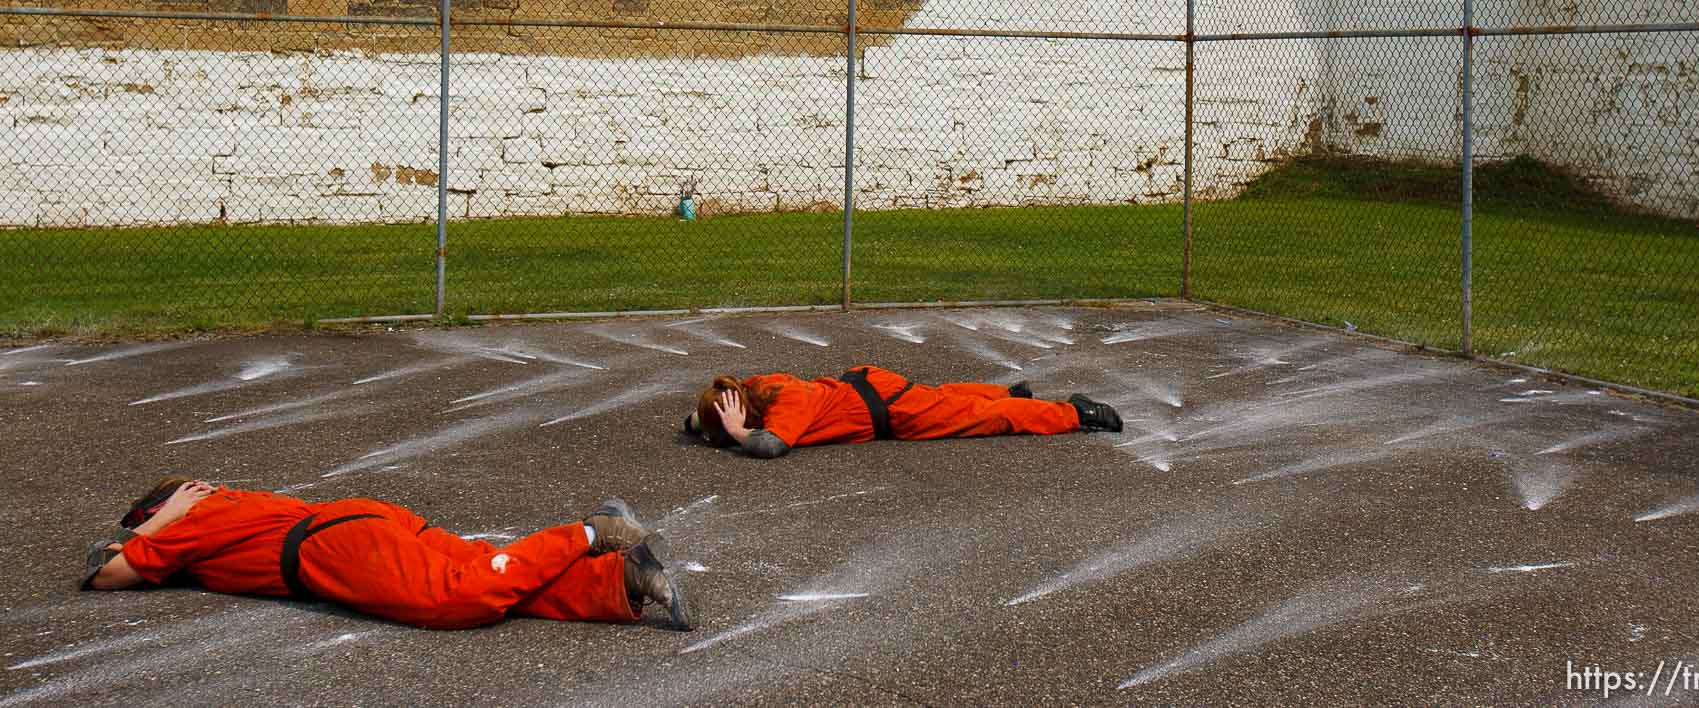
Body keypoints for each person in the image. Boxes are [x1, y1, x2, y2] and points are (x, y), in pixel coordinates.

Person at [79, 477, 694, 631]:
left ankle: (594, 532)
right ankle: (622, 580)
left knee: (458, 599)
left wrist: (156, 524)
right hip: (358, 522)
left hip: (335, 550)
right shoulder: (227, 504)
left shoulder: (197, 517)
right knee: (494, 580)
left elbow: (108, 575)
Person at [682, 366, 1123, 458]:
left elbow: (772, 445)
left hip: (887, 411)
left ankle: (1074, 414)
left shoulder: (786, 405)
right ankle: (1010, 392)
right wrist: (699, 421)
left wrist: (739, 435)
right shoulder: (755, 385)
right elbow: (702, 414)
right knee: (947, 398)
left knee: (976, 418)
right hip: (872, 387)